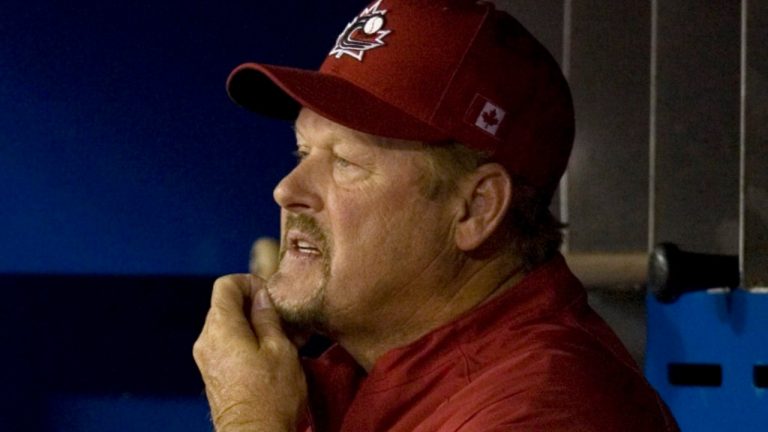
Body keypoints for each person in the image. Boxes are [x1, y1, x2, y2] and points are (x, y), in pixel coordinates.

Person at [193, 0, 680, 431]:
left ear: (476, 208)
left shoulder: (548, 408)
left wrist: (250, 420)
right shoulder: (353, 377)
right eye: (303, 153)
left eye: (346, 162)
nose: (286, 190)